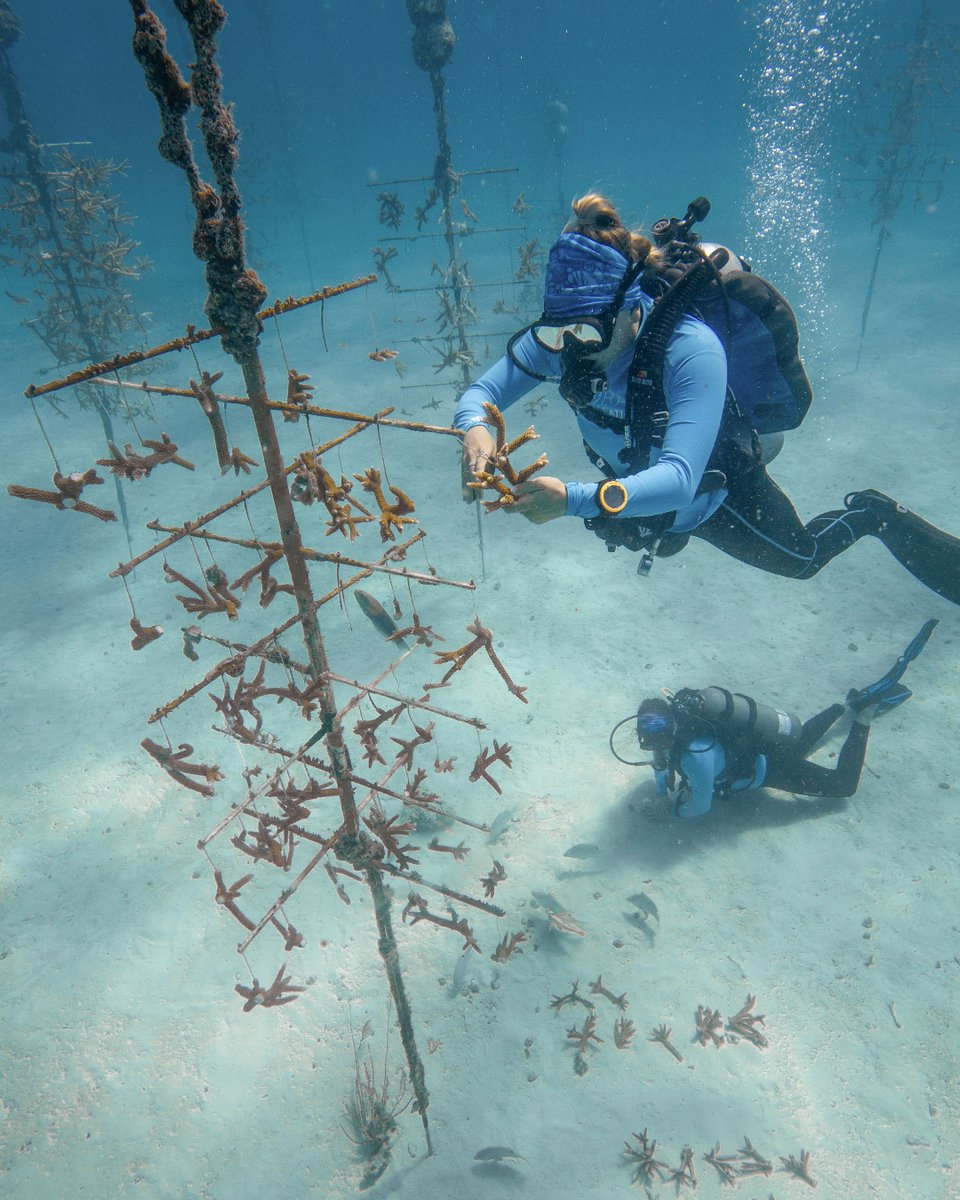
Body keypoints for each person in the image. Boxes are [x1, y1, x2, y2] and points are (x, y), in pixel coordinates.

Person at [455, 193, 960, 604]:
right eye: (557, 330)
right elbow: (482, 392)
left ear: (632, 312)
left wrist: (575, 501)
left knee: (801, 561)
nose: (571, 349)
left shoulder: (690, 351)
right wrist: (473, 428)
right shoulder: (564, 342)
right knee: (663, 535)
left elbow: (678, 480)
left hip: (713, 488)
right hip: (637, 488)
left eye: (586, 328)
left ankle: (872, 513)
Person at [611, 619, 937, 818]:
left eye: (656, 733)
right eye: (649, 734)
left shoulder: (695, 754)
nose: (654, 742)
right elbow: (661, 767)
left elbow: (700, 806)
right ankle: (842, 706)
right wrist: (658, 789)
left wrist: (672, 811)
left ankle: (862, 718)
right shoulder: (672, 733)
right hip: (764, 742)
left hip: (768, 768)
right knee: (798, 742)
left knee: (843, 787)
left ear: (668, 725)